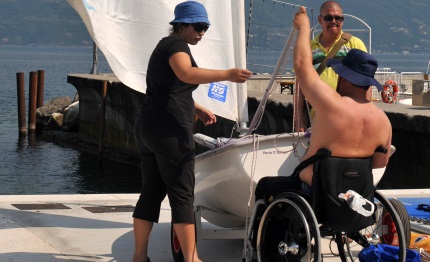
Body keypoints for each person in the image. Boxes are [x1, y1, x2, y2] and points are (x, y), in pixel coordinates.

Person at [132, 1, 252, 262]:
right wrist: (228, 74)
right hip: (170, 130)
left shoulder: (164, 45)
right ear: (181, 26)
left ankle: (139, 257)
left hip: (148, 127)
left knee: (151, 192)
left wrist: (196, 107)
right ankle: (192, 259)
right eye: (198, 27)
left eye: (205, 27)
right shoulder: (176, 46)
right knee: (182, 194)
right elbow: (186, 73)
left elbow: (169, 85)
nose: (202, 32)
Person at [256, 6, 391, 202]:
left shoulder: (330, 109)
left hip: (316, 190)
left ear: (343, 77)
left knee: (265, 186)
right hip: (354, 194)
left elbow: (302, 67)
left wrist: (303, 28)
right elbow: (379, 163)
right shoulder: (384, 122)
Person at [294, 1, 369, 132]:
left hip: (349, 119)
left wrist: (365, 115)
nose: (334, 21)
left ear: (342, 20)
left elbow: (366, 82)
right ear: (320, 20)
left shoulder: (355, 44)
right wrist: (299, 119)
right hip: (317, 122)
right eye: (329, 17)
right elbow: (300, 84)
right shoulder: (309, 47)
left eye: (338, 18)